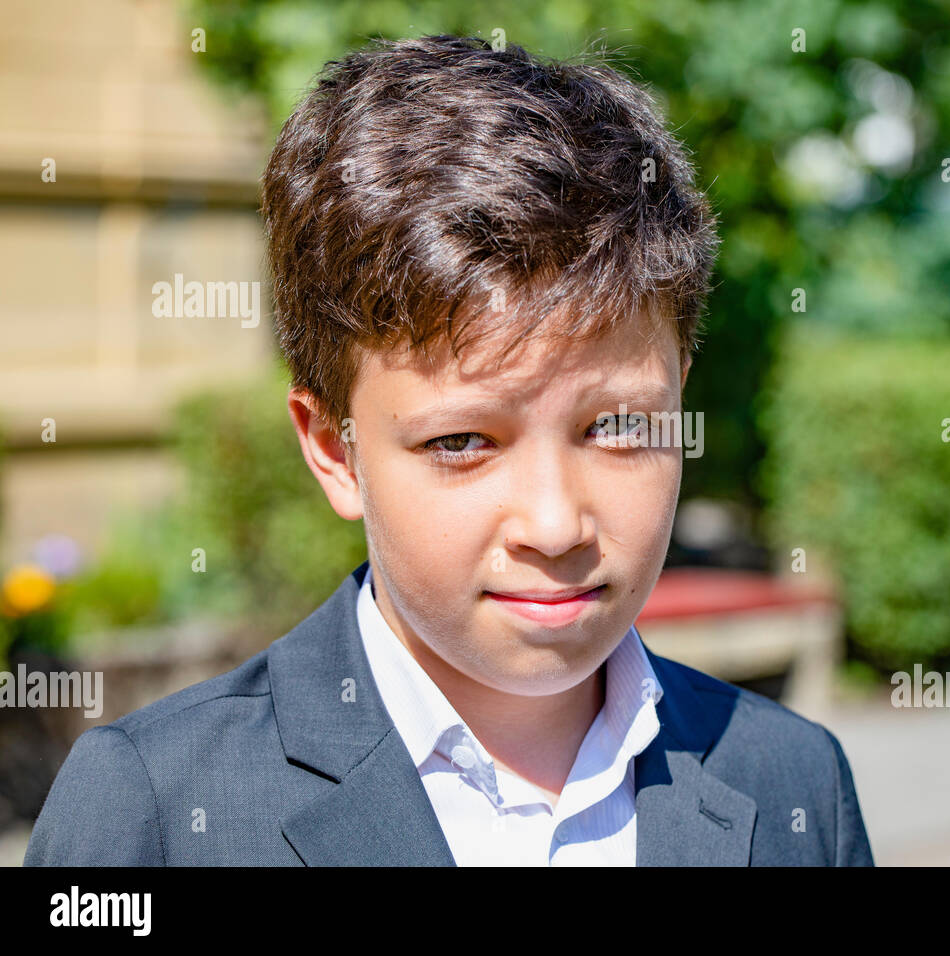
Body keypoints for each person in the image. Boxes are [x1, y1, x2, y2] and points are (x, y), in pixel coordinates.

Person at [25, 33, 873, 866]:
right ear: (334, 449)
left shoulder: (792, 782)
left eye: (616, 426)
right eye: (462, 440)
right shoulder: (158, 815)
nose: (553, 523)